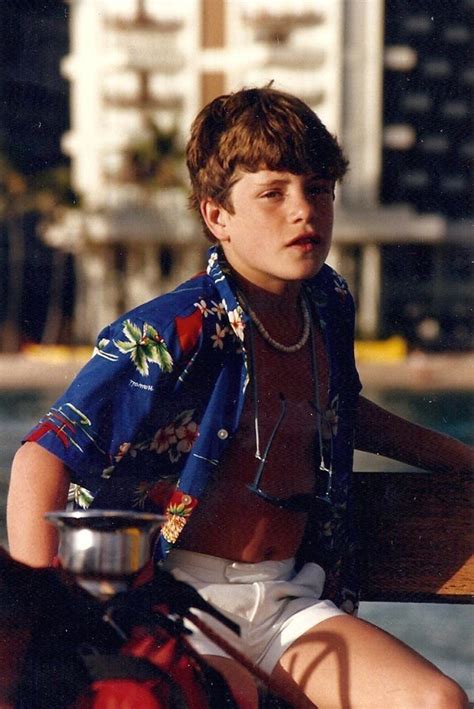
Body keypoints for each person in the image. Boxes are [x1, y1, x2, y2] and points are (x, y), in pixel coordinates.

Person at [8, 86, 472, 708]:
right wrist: (47, 629)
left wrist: (462, 460)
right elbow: (41, 458)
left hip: (287, 601)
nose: (304, 211)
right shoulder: (175, 330)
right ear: (216, 215)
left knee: (435, 700)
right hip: (180, 603)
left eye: (318, 189)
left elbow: (341, 411)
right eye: (273, 193)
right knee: (228, 696)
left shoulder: (326, 304)